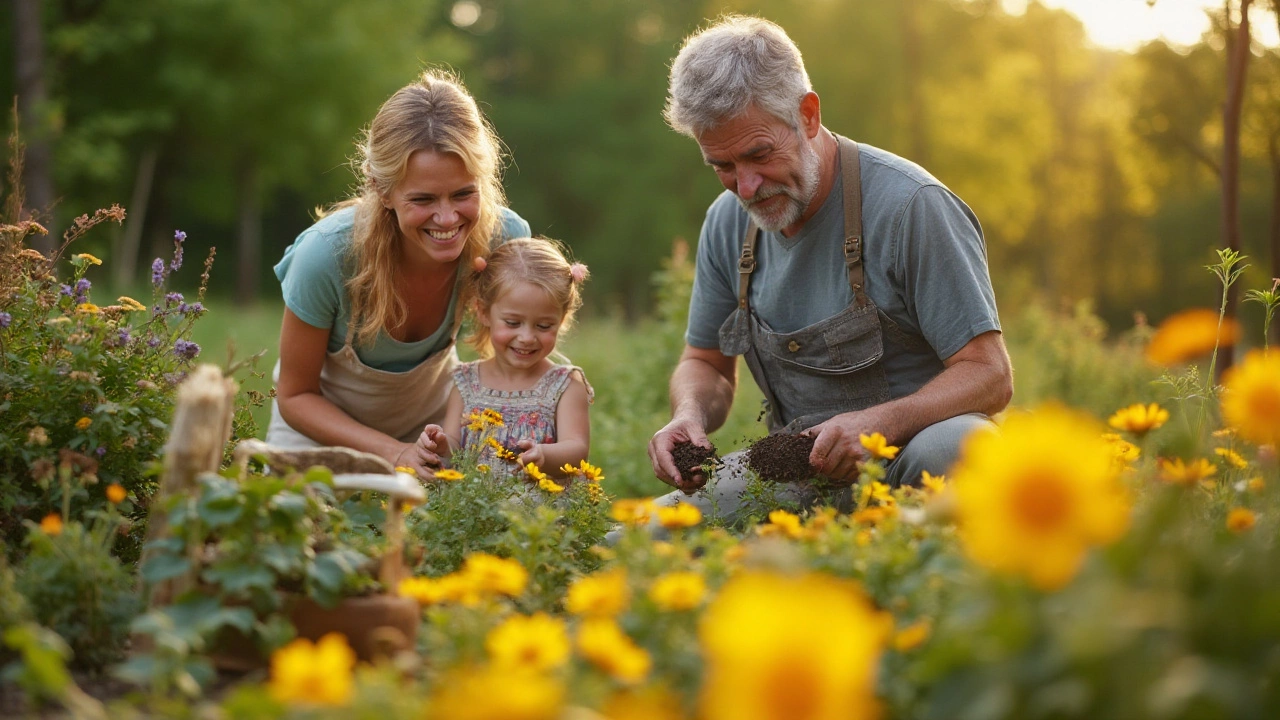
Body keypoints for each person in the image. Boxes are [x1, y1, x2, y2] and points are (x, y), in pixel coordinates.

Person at [646, 16, 1014, 518]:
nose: (746, 187)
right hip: (796, 471)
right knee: (644, 539)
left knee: (962, 447)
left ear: (809, 114)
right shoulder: (727, 223)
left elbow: (990, 375)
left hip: (912, 458)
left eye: (759, 154)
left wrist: (879, 424)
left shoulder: (911, 206)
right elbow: (706, 364)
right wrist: (687, 415)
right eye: (723, 167)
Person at [267, 69, 531, 476]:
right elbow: (296, 396)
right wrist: (392, 452)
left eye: (463, 193)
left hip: (429, 433)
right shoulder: (326, 257)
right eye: (423, 199)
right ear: (381, 189)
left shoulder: (505, 238)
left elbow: (520, 349)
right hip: (319, 436)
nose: (447, 218)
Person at [417, 237, 593, 475]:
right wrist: (441, 445)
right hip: (474, 505)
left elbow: (577, 448)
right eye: (513, 323)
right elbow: (454, 447)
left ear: (561, 320)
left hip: (539, 509)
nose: (527, 337)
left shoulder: (566, 384)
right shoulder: (466, 381)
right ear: (483, 312)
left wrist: (544, 455)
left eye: (543, 326)